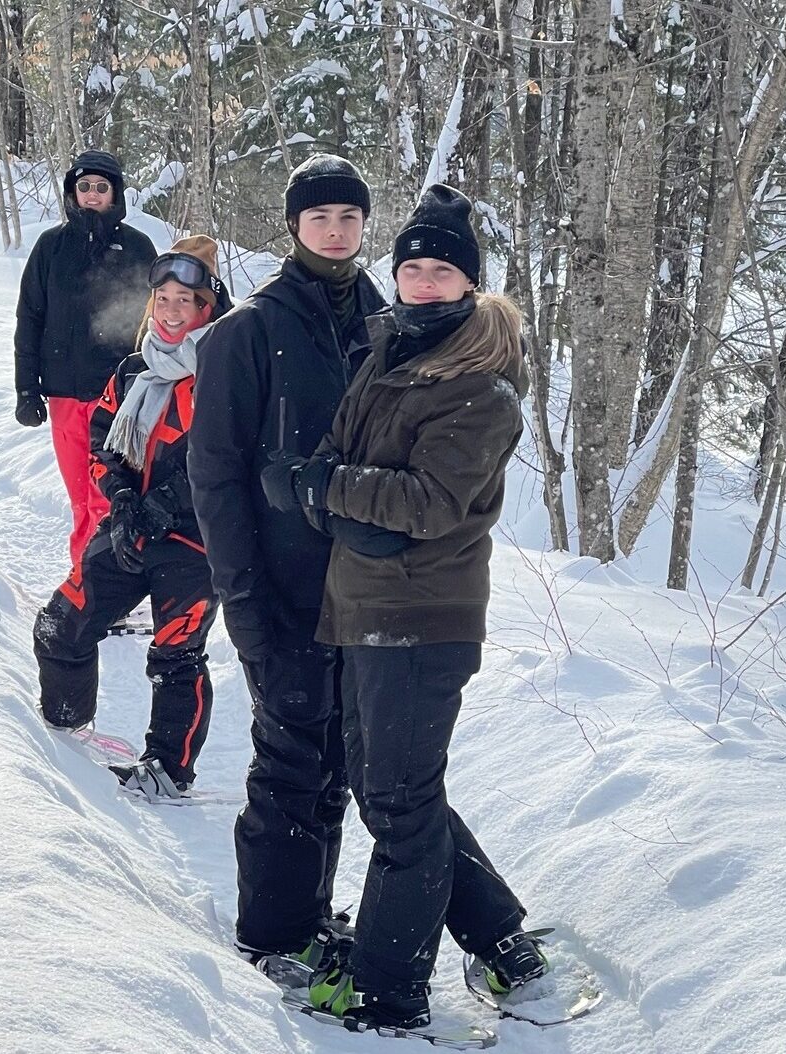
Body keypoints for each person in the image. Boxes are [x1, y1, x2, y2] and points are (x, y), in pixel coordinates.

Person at [260, 184, 542, 1031]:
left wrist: (322, 490)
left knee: (397, 804)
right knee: (397, 792)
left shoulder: (479, 388)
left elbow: (424, 505)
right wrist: (332, 491)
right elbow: (348, 464)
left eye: (441, 271)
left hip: (423, 619)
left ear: (470, 284)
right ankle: (499, 937)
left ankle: (389, 992)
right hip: (365, 604)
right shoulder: (388, 352)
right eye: (411, 267)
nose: (422, 282)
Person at [187, 155, 387, 966]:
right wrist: (244, 601)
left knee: (337, 760)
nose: (335, 232)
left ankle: (311, 916)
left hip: (370, 591)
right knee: (289, 760)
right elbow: (216, 475)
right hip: (282, 588)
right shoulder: (248, 332)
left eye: (348, 218)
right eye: (319, 219)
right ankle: (271, 933)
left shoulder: (386, 323)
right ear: (293, 227)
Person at [33, 237, 229, 800]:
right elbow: (103, 442)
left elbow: (228, 457)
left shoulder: (223, 371)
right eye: (162, 298)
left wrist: (166, 505)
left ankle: (169, 769)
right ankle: (65, 732)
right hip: (128, 530)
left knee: (176, 655)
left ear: (204, 310)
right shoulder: (131, 371)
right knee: (59, 626)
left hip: (193, 542)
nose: (171, 311)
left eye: (184, 301)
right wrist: (120, 500)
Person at [14, 150, 158, 567]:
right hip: (64, 396)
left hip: (120, 400)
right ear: (72, 194)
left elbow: (157, 319)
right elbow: (30, 318)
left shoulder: (137, 247)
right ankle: (86, 578)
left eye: (101, 187)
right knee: (81, 497)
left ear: (115, 193)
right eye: (84, 187)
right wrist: (26, 389)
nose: (92, 195)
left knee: (113, 495)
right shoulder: (50, 248)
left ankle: (117, 584)